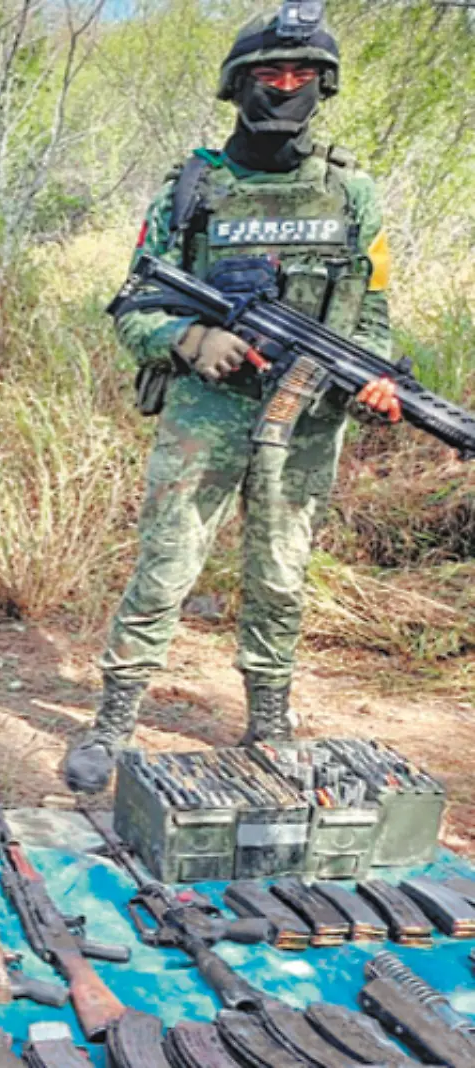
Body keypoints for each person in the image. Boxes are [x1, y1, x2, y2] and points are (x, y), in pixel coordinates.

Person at [62, 7, 403, 795]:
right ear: (238, 83)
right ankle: (114, 720)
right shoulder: (194, 187)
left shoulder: (353, 194)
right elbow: (134, 302)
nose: (285, 89)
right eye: (268, 75)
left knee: (281, 575)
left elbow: (373, 311)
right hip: (205, 413)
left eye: (301, 77)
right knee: (167, 566)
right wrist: (191, 342)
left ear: (324, 86)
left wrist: (376, 379)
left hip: (308, 416)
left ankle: (269, 721)